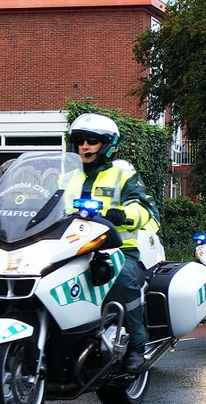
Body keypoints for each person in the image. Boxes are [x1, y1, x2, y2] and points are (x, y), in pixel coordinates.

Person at [67, 112, 159, 373]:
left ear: (106, 145)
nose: (84, 146)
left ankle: (137, 346)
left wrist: (122, 214)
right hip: (72, 248)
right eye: (80, 140)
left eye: (92, 141)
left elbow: (144, 210)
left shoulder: (122, 173)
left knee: (124, 281)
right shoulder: (68, 176)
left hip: (117, 249)